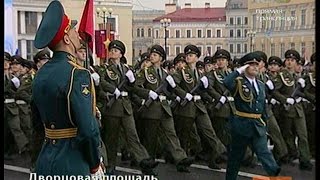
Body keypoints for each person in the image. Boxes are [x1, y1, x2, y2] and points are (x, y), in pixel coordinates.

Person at [31, 1, 103, 177]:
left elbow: (36, 123)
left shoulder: (41, 73)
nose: (78, 34)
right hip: (72, 161)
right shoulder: (78, 74)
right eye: (72, 29)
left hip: (45, 159)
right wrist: (94, 165)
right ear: (66, 38)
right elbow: (88, 130)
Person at [99, 40, 158, 175]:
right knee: (111, 138)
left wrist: (146, 92)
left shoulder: (127, 69)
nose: (113, 52)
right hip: (112, 106)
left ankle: (144, 162)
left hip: (126, 106)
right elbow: (101, 82)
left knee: (133, 135)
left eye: (116, 50)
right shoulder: (105, 68)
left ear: (121, 54)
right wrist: (113, 89)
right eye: (112, 50)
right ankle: (110, 165)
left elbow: (134, 88)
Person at [133, 45, 194, 173]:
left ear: (161, 58)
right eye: (151, 54)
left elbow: (172, 89)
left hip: (164, 107)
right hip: (152, 108)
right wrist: (148, 93)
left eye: (155, 55)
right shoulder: (144, 71)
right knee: (151, 138)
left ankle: (181, 158)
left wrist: (182, 96)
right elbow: (136, 88)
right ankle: (149, 163)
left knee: (171, 133)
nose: (152, 56)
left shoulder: (165, 73)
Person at [224, 52, 280, 180]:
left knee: (263, 152)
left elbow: (262, 107)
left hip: (257, 125)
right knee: (236, 157)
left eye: (256, 64)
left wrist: (265, 125)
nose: (255, 67)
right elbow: (226, 82)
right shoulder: (238, 82)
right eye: (251, 65)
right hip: (241, 125)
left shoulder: (260, 84)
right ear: (245, 67)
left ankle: (274, 172)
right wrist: (239, 70)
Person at [171, 44, 226, 169]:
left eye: (191, 55)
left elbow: (207, 90)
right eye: (187, 55)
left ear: (196, 58)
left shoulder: (200, 74)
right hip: (187, 106)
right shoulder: (182, 72)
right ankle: (182, 162)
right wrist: (184, 95)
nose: (188, 57)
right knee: (185, 135)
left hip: (199, 106)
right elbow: (173, 85)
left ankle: (217, 154)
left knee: (209, 131)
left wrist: (215, 97)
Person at [271, 49, 313, 170]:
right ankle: (279, 155)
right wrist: (285, 100)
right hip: (287, 109)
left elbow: (304, 93)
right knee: (286, 134)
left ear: (296, 62)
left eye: (292, 60)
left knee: (302, 135)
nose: (289, 62)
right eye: (288, 60)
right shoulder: (282, 76)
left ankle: (305, 160)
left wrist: (303, 90)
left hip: (298, 110)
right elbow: (274, 91)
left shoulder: (298, 76)